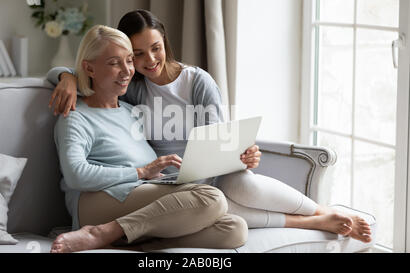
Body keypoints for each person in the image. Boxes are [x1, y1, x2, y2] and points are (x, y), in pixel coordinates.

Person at [47, 10, 372, 244]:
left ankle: (320, 212)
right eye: (135, 55)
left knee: (234, 226)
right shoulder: (127, 93)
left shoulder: (178, 87)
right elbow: (84, 73)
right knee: (214, 201)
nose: (141, 64)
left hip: (189, 181)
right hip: (158, 186)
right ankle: (108, 232)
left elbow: (218, 139)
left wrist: (239, 153)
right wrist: (67, 78)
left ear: (165, 43)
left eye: (153, 49)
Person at [50, 24, 249, 253]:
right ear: (89, 69)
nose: (126, 71)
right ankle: (101, 232)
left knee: (234, 228)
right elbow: (76, 176)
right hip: (95, 201)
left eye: (128, 60)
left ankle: (136, 240)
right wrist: (141, 172)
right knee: (211, 198)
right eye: (114, 63)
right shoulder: (75, 116)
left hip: (139, 193)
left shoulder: (130, 109)